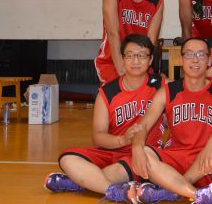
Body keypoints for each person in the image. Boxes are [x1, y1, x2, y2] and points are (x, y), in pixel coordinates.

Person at [44, 34, 166, 200]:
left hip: (141, 154)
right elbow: (98, 136)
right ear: (122, 59)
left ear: (150, 60)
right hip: (111, 151)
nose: (136, 61)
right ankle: (114, 190)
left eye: (142, 55)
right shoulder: (107, 92)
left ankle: (80, 181)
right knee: (67, 158)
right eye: (130, 55)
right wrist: (122, 140)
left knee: (120, 170)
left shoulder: (161, 85)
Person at [129, 38, 212, 204]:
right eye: (189, 55)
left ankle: (172, 188)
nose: (195, 60)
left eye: (201, 55)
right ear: (181, 60)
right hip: (176, 158)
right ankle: (197, 194)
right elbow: (143, 125)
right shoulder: (168, 91)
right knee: (144, 151)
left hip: (207, 159)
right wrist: (136, 147)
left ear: (209, 60)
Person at [95, 0, 164, 85]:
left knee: (155, 92)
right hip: (112, 62)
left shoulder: (156, 1)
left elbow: (151, 40)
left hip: (140, 63)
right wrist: (122, 70)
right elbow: (113, 33)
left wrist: (140, 69)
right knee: (120, 95)